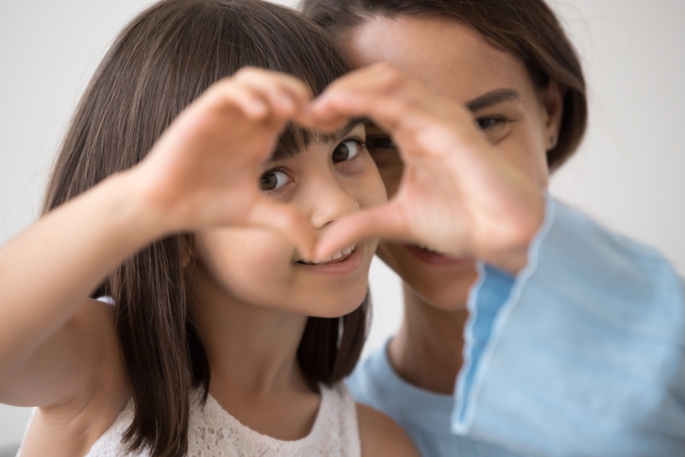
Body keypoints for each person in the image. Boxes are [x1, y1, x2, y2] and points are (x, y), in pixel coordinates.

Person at [0, 1, 420, 456]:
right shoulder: (102, 370)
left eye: (344, 151)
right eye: (271, 178)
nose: (341, 205)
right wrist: (143, 202)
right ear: (176, 225)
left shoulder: (376, 444)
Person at [300, 0, 685, 456]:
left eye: (485, 124)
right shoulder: (333, 439)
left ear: (549, 113)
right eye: (381, 142)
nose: (445, 191)